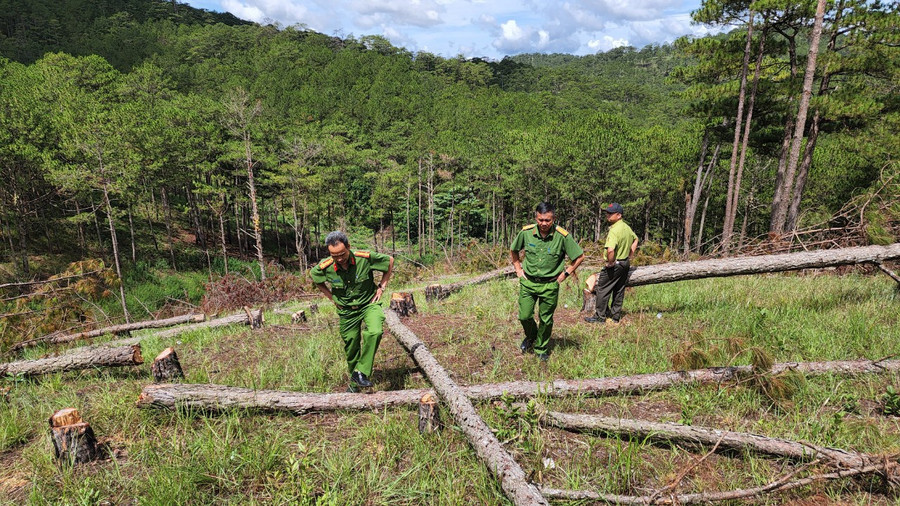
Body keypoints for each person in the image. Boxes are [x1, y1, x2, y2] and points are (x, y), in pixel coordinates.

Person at [310, 231, 394, 392]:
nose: (339, 259)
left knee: (375, 331)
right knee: (351, 346)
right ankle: (355, 385)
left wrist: (381, 287)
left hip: (369, 304)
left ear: (348, 247)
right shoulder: (325, 266)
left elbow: (389, 261)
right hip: (347, 311)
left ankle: (361, 372)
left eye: (342, 254)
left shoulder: (364, 258)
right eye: (335, 256)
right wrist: (331, 297)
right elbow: (315, 278)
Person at [510, 202, 585, 361]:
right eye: (540, 220)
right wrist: (518, 269)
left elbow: (579, 257)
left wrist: (565, 274)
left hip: (550, 284)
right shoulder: (526, 233)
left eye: (547, 220)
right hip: (528, 282)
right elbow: (514, 250)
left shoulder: (562, 236)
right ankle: (532, 336)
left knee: (546, 319)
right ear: (536, 218)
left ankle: (541, 348)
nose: (544, 223)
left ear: (554, 219)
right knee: (524, 316)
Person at [585, 203, 638, 324]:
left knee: (602, 289)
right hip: (625, 263)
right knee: (619, 289)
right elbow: (636, 239)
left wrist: (611, 262)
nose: (607, 215)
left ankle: (600, 317)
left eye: (610, 213)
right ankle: (615, 317)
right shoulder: (626, 228)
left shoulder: (614, 230)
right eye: (607, 213)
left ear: (619, 215)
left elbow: (610, 250)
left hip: (615, 264)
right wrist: (630, 255)